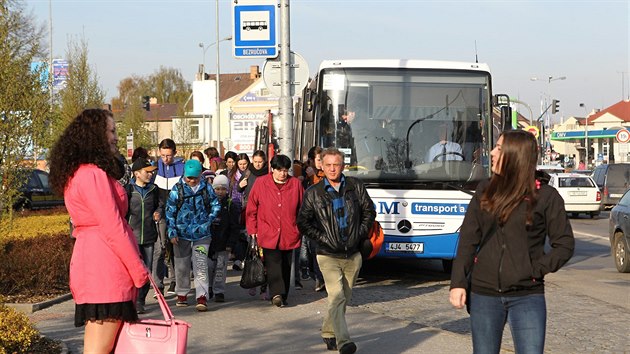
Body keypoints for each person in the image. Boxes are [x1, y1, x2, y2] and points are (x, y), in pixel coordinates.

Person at [449, 130, 575, 354]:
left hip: (527, 294)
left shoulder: (546, 196)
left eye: (499, 148)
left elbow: (564, 244)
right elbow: (468, 239)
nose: (492, 153)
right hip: (484, 293)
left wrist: (534, 269)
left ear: (515, 155)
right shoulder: (485, 190)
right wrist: (458, 282)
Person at [48, 108, 149, 353]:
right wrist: (139, 271)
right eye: (111, 131)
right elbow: (112, 226)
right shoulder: (91, 175)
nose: (115, 136)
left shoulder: (81, 173)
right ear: (96, 135)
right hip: (106, 269)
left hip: (98, 266)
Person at [297, 147, 376, 354]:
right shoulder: (313, 193)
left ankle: (328, 331)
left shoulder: (355, 186)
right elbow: (303, 222)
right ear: (321, 165)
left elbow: (369, 211)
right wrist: (323, 238)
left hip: (353, 253)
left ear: (343, 166)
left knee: (341, 298)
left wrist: (359, 233)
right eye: (328, 165)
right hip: (327, 254)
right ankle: (344, 342)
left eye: (337, 165)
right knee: (337, 295)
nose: (333, 169)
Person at [246, 154, 304, 307]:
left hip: (289, 232)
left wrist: (301, 227)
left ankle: (283, 295)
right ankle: (276, 293)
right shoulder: (261, 183)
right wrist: (252, 229)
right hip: (267, 231)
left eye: (285, 170)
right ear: (272, 169)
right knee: (273, 263)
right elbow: (252, 208)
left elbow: (302, 209)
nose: (282, 174)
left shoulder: (295, 184)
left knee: (286, 264)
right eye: (279, 170)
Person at [166, 159, 220, 312]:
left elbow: (216, 204)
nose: (191, 181)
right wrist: (172, 232)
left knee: (201, 264)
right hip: (181, 234)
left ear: (200, 175)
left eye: (194, 178)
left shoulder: (206, 188)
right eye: (188, 177)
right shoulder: (177, 189)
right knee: (181, 265)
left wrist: (208, 220)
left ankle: (201, 296)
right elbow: (170, 212)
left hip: (202, 234)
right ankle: (182, 293)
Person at [126, 157, 162, 314]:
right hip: (131, 237)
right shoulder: (128, 190)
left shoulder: (154, 189)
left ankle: (140, 300)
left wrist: (159, 212)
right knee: (131, 270)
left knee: (146, 270)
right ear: (136, 173)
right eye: (146, 172)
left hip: (148, 236)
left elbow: (161, 205)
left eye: (151, 172)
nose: (150, 175)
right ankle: (130, 300)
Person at [154, 138, 185, 296]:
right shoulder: (155, 167)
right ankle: (158, 285)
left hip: (177, 214)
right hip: (161, 213)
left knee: (176, 248)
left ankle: (175, 281)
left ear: (175, 153)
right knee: (160, 248)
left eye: (169, 156)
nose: (166, 159)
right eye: (163, 155)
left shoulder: (182, 168)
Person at [208, 174, 240, 303]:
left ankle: (219, 291)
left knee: (221, 268)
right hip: (209, 242)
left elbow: (234, 226)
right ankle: (208, 287)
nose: (220, 192)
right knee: (209, 267)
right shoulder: (208, 203)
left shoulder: (230, 205)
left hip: (224, 241)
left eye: (223, 189)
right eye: (217, 189)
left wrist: (231, 244)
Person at [302, 146, 326, 292]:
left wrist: (314, 177)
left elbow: (321, 190)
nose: (321, 162)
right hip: (307, 215)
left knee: (317, 248)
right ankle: (309, 272)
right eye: (318, 160)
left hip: (321, 216)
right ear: (311, 160)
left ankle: (320, 278)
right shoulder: (302, 171)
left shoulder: (324, 174)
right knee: (308, 249)